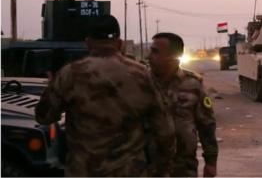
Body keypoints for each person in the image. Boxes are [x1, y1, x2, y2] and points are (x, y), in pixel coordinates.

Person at [35, 15, 176, 177]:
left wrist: (52, 86)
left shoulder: (70, 74)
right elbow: (165, 131)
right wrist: (162, 169)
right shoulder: (143, 75)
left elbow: (43, 117)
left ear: (88, 43)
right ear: (119, 43)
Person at [147, 32, 219, 177]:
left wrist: (211, 162)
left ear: (173, 57)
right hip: (147, 167)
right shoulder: (141, 83)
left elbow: (207, 125)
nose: (149, 56)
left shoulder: (193, 84)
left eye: (155, 52)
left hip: (183, 167)